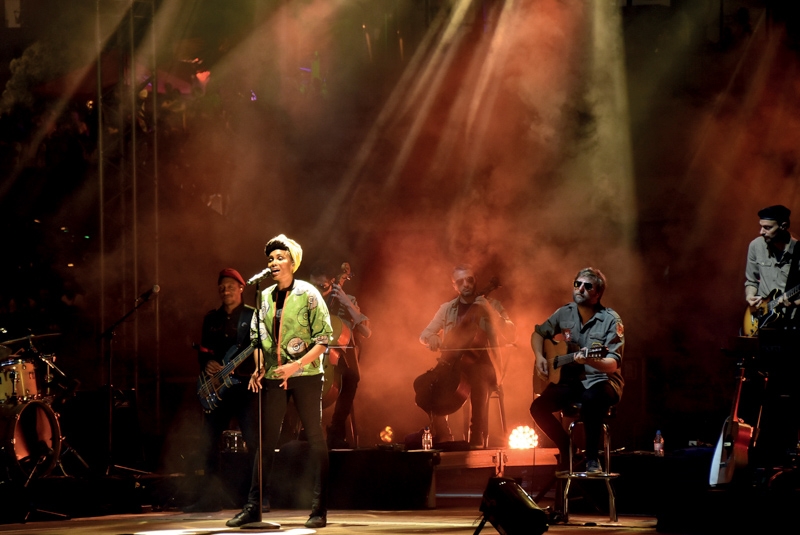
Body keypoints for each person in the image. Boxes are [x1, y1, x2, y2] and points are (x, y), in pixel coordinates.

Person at [226, 235, 332, 529]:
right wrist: (259, 369)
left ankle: (319, 509)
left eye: (279, 257)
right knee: (264, 442)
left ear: (293, 262)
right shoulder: (264, 296)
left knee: (315, 439)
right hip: (274, 376)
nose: (273, 262)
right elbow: (258, 339)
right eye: (270, 258)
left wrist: (295, 366)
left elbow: (324, 340)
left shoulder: (309, 294)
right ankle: (253, 506)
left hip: (307, 375)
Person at [529, 267, 624, 474]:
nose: (580, 289)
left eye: (587, 286)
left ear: (597, 293)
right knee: (538, 407)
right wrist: (539, 357)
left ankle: (592, 458)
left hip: (604, 380)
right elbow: (538, 333)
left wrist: (591, 360)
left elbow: (613, 363)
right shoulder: (564, 312)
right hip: (572, 380)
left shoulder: (611, 320)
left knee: (592, 396)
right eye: (577, 284)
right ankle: (568, 447)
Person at [419, 264, 515, 448]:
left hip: (487, 365)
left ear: (475, 281)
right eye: (460, 281)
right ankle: (444, 434)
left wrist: (490, 311)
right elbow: (424, 335)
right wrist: (432, 339)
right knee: (430, 384)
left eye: (469, 279)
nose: (466, 284)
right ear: (454, 286)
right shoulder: (447, 308)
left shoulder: (492, 304)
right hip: (455, 364)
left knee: (478, 375)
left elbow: (512, 334)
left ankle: (476, 435)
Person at [186, 268, 257, 512]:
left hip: (245, 387)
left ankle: (256, 498)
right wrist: (208, 364)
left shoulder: (253, 316)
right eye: (221, 288)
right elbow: (204, 352)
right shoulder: (211, 318)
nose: (225, 291)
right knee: (208, 443)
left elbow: (262, 350)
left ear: (241, 288)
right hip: (217, 388)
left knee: (255, 442)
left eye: (230, 286)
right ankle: (209, 498)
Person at [309, 262, 372, 449]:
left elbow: (367, 332)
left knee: (351, 377)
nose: (318, 292)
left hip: (338, 359)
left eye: (323, 287)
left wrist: (347, 303)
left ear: (333, 282)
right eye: (314, 286)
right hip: (310, 355)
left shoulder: (348, 299)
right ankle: (302, 430)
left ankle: (336, 431)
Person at [744, 204, 800, 330]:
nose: (761, 232)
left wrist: (793, 303)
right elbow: (751, 281)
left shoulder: (798, 251)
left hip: (791, 323)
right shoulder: (756, 246)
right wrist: (750, 296)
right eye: (761, 227)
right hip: (762, 321)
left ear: (783, 226)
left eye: (767, 228)